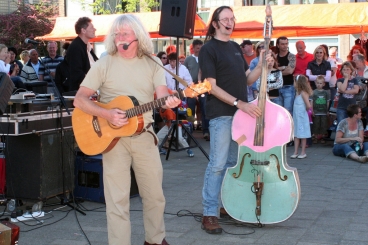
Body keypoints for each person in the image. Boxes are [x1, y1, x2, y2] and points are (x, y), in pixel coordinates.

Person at [73, 14, 180, 245]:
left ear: (138, 36)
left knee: (154, 196)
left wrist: (169, 101)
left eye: (125, 33)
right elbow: (79, 100)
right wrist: (106, 114)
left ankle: (155, 240)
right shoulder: (104, 63)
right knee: (117, 200)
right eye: (117, 34)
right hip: (113, 141)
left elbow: (161, 95)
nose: (120, 38)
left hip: (144, 136)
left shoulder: (153, 62)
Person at [198, 6, 270, 234]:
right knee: (218, 165)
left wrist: (260, 65)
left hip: (240, 115)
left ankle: (225, 205)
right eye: (225, 19)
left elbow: (247, 81)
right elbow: (211, 86)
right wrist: (240, 103)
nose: (230, 22)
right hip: (222, 114)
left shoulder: (235, 48)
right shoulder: (208, 49)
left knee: (231, 165)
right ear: (216, 23)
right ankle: (209, 212)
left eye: (232, 18)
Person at [184, 39, 209, 140]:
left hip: (203, 87)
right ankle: (189, 130)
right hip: (191, 88)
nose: (199, 49)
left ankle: (206, 131)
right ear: (193, 48)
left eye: (201, 47)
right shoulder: (188, 59)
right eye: (197, 48)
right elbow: (184, 73)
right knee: (190, 109)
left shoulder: (206, 59)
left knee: (204, 108)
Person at [66, 17, 98, 92]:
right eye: (92, 27)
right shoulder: (76, 47)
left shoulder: (87, 46)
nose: (95, 29)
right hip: (80, 92)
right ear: (83, 30)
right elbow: (77, 73)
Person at [290, 75, 312, 159]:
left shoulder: (303, 93)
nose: (293, 83)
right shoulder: (297, 93)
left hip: (302, 117)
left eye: (294, 81)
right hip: (297, 118)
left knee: (302, 134)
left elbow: (308, 105)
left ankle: (303, 152)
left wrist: (304, 111)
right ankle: (295, 151)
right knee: (296, 134)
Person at [276, 36, 296, 116]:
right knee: (278, 111)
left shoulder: (291, 56)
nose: (285, 46)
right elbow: (270, 71)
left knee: (288, 111)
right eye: (282, 44)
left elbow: (290, 71)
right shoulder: (275, 56)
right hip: (276, 87)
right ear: (278, 45)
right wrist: (283, 68)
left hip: (288, 86)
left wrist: (277, 70)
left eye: (286, 43)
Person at [312, 76, 330, 144]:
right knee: (316, 125)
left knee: (323, 125)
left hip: (324, 111)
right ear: (315, 83)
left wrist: (327, 110)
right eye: (317, 83)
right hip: (316, 111)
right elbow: (311, 101)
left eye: (320, 83)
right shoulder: (313, 92)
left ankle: (322, 137)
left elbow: (328, 101)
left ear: (323, 84)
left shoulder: (326, 92)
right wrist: (312, 110)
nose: (319, 84)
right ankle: (315, 137)